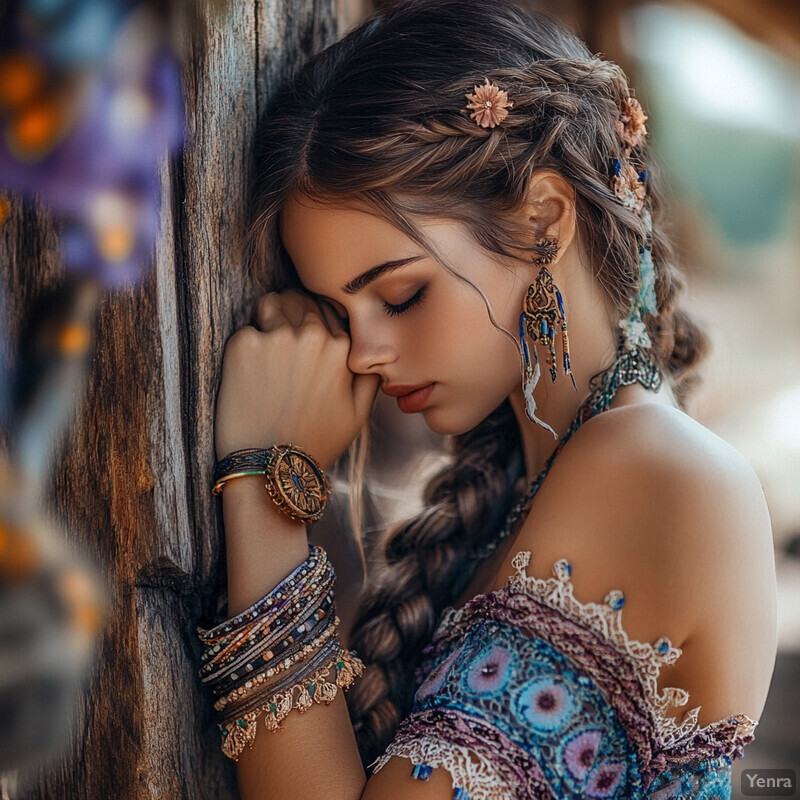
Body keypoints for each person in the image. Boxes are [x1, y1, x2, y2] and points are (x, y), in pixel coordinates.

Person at [201, 1, 777, 798]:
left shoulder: (652, 470)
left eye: (400, 296)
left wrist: (267, 490)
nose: (364, 352)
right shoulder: (535, 482)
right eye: (338, 313)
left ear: (543, 220)